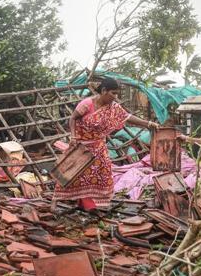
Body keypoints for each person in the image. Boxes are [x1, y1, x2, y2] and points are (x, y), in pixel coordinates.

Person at [54, 77, 159, 211]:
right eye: (113, 93)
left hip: (98, 146)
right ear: (104, 90)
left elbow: (127, 117)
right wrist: (73, 137)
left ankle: (95, 204)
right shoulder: (87, 104)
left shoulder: (113, 107)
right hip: (81, 145)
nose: (115, 97)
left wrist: (148, 124)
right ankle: (55, 203)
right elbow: (73, 118)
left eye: (117, 94)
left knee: (103, 175)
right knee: (69, 173)